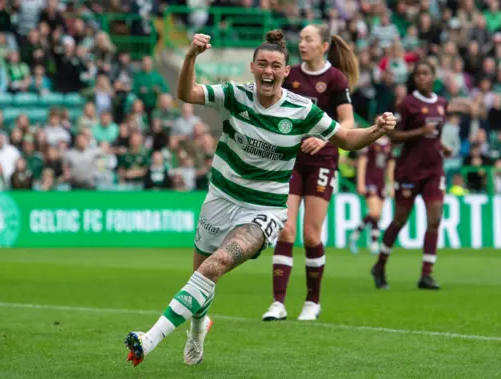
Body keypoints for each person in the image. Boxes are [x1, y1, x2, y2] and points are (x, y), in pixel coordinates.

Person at [124, 30, 396, 367]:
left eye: (276, 66)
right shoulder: (234, 95)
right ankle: (197, 329)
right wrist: (191, 56)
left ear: (286, 72)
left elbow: (347, 139)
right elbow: (186, 93)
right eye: (262, 65)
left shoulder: (302, 110)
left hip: (264, 209)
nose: (268, 71)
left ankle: (148, 340)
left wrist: (377, 131)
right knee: (202, 276)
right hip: (220, 199)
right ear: (252, 68)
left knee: (217, 264)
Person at [262, 24, 358, 322]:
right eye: (301, 39)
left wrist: (324, 137)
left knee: (311, 234)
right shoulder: (290, 75)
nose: (302, 44)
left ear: (324, 45)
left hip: (323, 161)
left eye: (308, 39)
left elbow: (349, 122)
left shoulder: (335, 78)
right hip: (290, 160)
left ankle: (312, 301)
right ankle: (278, 302)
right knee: (286, 229)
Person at [371, 61, 453, 291]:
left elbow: (434, 136)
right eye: (418, 75)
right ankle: (379, 265)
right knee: (400, 220)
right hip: (409, 169)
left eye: (426, 74)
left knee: (435, 219)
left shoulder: (442, 103)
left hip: (434, 168)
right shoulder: (407, 104)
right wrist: (420, 132)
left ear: (434, 76)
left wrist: (443, 147)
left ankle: (426, 274)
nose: (421, 78)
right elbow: (394, 135)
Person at [348, 133, 394, 255]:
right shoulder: (371, 141)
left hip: (381, 183)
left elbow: (390, 165)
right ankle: (373, 242)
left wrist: (391, 185)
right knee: (374, 213)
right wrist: (361, 183)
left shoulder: (389, 143)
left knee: (377, 215)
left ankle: (355, 236)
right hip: (370, 181)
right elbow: (362, 163)